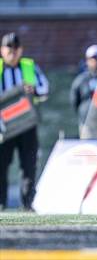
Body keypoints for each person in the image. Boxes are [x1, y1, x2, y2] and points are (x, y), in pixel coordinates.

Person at [0, 33, 49, 210]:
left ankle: (27, 203)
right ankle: (1, 203)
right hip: (4, 127)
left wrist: (34, 89)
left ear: (20, 50)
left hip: (27, 124)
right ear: (2, 50)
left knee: (29, 164)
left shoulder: (29, 66)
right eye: (8, 48)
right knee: (1, 165)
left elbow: (45, 87)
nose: (12, 52)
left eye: (15, 48)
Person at [70, 45, 97, 139]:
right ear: (87, 61)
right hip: (88, 126)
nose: (96, 62)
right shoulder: (81, 80)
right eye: (92, 59)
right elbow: (75, 101)